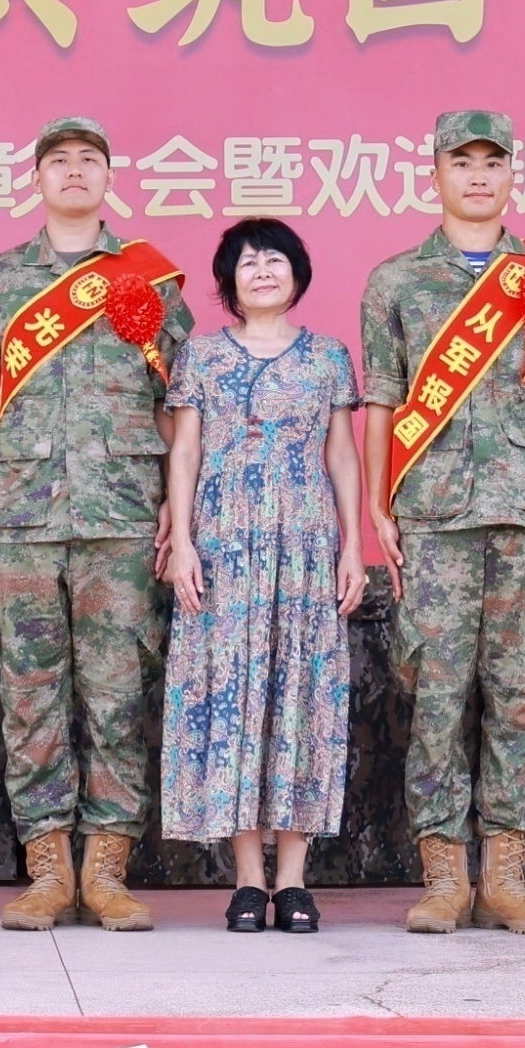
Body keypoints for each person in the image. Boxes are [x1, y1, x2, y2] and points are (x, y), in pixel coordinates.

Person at [0, 117, 191, 931]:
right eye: (59, 160)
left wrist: (177, 501)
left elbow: (177, 402)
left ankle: (108, 873)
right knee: (29, 694)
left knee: (118, 692)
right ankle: (49, 871)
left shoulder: (150, 280)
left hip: (123, 515)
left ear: (109, 176)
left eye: (90, 159)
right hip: (23, 513)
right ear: (37, 179)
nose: (75, 171)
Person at [354, 109, 525, 936]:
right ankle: (444, 876)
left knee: (522, 695)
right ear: (436, 175)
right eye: (462, 162)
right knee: (437, 694)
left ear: (514, 174)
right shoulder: (397, 281)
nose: (478, 176)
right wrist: (378, 499)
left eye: (493, 162)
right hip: (435, 511)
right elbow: (383, 399)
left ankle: (506, 879)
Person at [163, 217, 364, 933]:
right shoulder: (201, 356)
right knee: (234, 697)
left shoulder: (328, 357)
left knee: (298, 695)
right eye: (247, 263)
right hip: (224, 543)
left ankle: (294, 880)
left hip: (305, 541)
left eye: (275, 260)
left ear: (298, 273)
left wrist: (353, 545)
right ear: (229, 281)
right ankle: (248, 881)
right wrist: (182, 542)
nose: (262, 272)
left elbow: (342, 455)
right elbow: (185, 452)